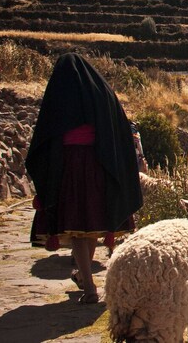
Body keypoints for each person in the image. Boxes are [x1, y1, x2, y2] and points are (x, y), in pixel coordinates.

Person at [25, 53, 143, 304]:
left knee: (79, 228)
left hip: (70, 169)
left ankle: (89, 286)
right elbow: (119, 129)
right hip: (100, 167)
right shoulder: (101, 93)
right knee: (90, 227)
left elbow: (44, 137)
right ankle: (84, 277)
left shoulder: (59, 96)